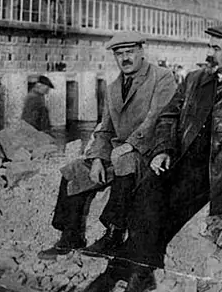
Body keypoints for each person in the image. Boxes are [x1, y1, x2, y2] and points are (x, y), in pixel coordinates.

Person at [72, 25, 222, 292]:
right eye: (210, 47)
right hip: (183, 160)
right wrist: (163, 150)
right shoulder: (194, 79)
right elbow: (168, 116)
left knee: (167, 213)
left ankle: (121, 277)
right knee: (146, 192)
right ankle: (134, 274)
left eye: (216, 48)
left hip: (221, 169)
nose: (210, 53)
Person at [37, 32, 177, 261]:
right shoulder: (113, 88)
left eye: (130, 52)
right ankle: (70, 236)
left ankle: (113, 236)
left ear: (141, 51)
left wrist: (130, 145)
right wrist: (98, 159)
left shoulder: (162, 77)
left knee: (124, 160)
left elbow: (158, 117)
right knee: (73, 170)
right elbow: (105, 129)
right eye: (119, 54)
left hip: (149, 153)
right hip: (119, 154)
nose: (125, 58)